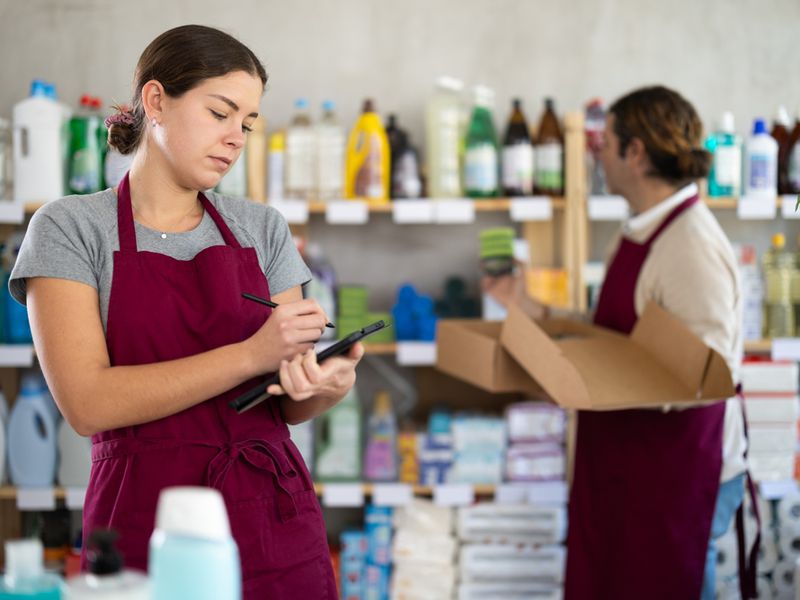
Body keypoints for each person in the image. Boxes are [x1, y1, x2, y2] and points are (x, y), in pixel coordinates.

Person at [10, 25, 361, 598]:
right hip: (144, 521)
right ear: (156, 101)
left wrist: (328, 384)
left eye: (247, 123)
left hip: (273, 519)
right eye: (220, 112)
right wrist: (251, 355)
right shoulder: (71, 228)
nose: (235, 138)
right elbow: (88, 404)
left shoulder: (262, 229)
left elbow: (290, 403)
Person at [485, 86, 756, 599]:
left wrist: (585, 380)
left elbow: (709, 374)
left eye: (604, 142)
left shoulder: (691, 245)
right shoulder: (638, 232)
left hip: (677, 473)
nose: (597, 153)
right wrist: (525, 304)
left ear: (635, 153)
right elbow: (609, 334)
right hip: (630, 463)